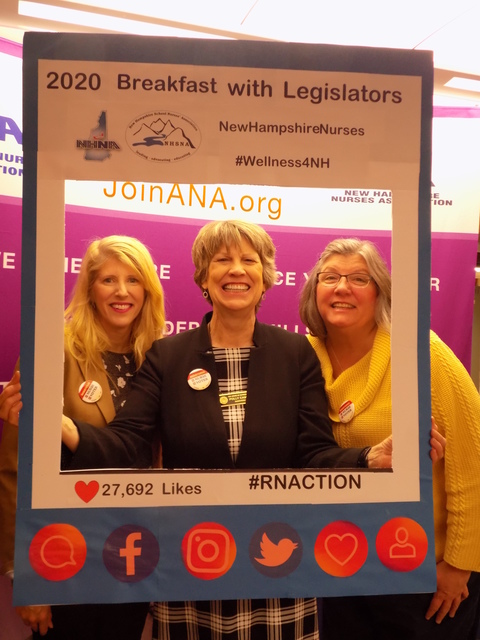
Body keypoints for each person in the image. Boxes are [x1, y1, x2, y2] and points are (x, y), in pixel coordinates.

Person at [59, 220, 398, 640]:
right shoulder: (168, 355)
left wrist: (369, 458)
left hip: (278, 563)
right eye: (222, 260)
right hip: (191, 563)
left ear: (265, 277)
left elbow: (314, 454)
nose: (236, 269)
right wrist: (60, 425)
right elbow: (127, 444)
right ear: (204, 277)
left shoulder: (296, 354)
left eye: (248, 260)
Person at [299, 237, 480, 640]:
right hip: (340, 566)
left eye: (358, 278)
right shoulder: (301, 357)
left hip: (424, 571)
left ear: (380, 291)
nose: (342, 287)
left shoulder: (422, 353)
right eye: (330, 277)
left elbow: (472, 460)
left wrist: (460, 564)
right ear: (314, 290)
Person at [0, 235, 166, 639]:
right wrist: (25, 573)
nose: (122, 291)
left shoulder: (161, 357)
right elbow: (15, 467)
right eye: (109, 280)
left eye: (133, 279)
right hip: (63, 555)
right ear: (90, 289)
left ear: (148, 289)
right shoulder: (52, 351)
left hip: (136, 555)